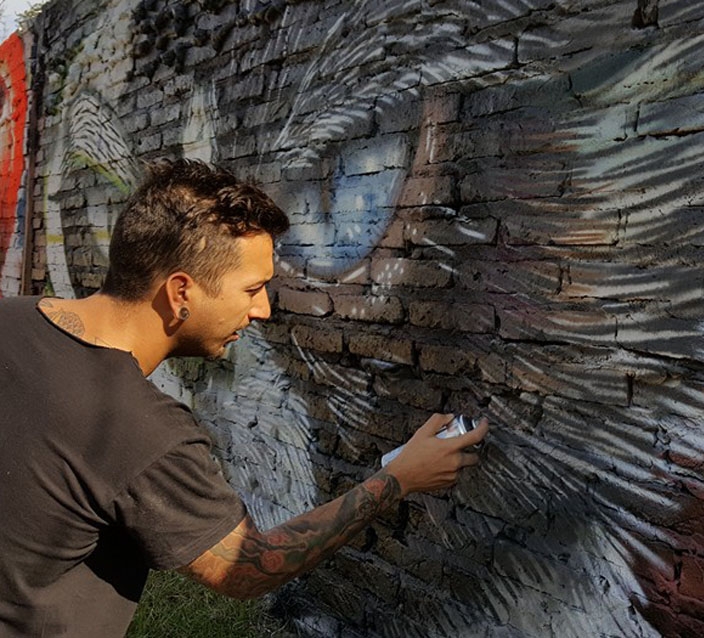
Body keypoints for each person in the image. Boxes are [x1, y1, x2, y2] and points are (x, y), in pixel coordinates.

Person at [0, 159, 489, 636]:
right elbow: (247, 568)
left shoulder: (10, 318)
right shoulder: (142, 433)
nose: (263, 310)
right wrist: (396, 480)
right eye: (252, 288)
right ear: (180, 292)